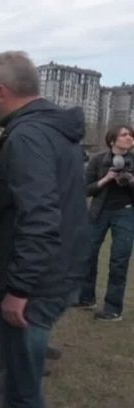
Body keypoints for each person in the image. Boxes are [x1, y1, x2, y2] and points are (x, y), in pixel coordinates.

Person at [0, 51, 90, 408]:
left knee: (19, 397)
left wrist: (20, 289)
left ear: (1, 92)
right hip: (58, 273)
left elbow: (40, 216)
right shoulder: (51, 130)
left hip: (36, 286)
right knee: (8, 364)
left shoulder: (28, 137)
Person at [75, 124, 134, 322]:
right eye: (124, 135)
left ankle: (113, 309)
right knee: (88, 254)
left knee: (119, 260)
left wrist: (130, 180)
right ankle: (86, 298)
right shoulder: (98, 160)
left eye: (131, 135)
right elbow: (85, 189)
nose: (129, 138)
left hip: (126, 213)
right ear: (112, 140)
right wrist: (106, 178)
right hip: (98, 212)